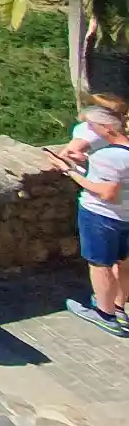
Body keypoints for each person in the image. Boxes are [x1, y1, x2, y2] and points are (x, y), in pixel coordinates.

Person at [57, 104, 129, 333]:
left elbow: (107, 193)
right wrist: (88, 164)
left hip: (103, 215)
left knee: (101, 265)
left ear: (107, 127)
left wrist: (70, 171)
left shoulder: (109, 155)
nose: (88, 130)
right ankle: (119, 308)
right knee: (124, 264)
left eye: (92, 125)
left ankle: (105, 315)